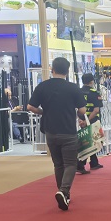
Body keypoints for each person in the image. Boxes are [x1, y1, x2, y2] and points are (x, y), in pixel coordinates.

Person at [27, 57, 87, 211]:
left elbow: (30, 107)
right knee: (71, 163)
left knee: (58, 164)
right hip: (68, 130)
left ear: (52, 69)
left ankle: (63, 193)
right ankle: (64, 190)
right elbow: (82, 110)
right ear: (67, 71)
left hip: (50, 131)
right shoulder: (73, 88)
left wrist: (44, 112)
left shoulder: (42, 86)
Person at [77, 73, 104, 174]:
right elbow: (96, 110)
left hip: (81, 120)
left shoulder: (78, 92)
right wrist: (87, 120)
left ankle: (94, 162)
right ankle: (80, 165)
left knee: (86, 140)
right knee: (93, 141)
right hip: (92, 120)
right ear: (92, 81)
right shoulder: (94, 93)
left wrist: (81, 120)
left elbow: (76, 108)